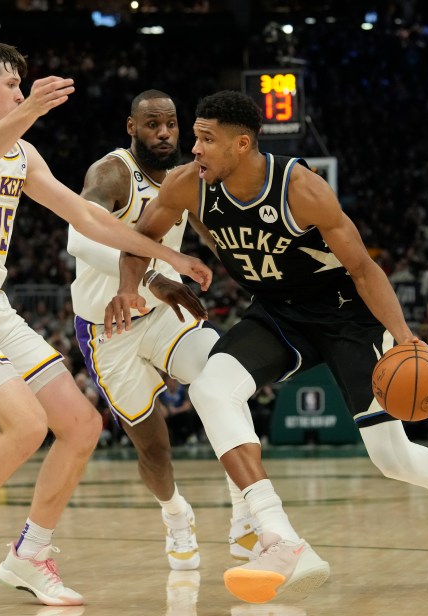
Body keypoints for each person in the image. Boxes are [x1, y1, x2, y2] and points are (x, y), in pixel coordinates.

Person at [105, 90, 428, 603]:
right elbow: (136, 239)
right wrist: (137, 283)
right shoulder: (187, 185)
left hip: (348, 318)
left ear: (242, 145)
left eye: (206, 139)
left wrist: (408, 339)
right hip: (277, 313)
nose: (194, 148)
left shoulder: (301, 188)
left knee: (393, 458)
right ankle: (279, 536)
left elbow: (365, 269)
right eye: (195, 136)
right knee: (212, 388)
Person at [0, 39, 211, 607]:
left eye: (24, 86)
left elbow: (86, 216)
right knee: (24, 426)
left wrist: (167, 257)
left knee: (81, 425)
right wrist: (30, 110)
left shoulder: (21, 153)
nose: (22, 90)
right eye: (13, 84)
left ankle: (30, 554)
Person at [67, 90, 260, 570]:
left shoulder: (186, 178)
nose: (165, 134)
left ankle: (245, 513)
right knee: (153, 448)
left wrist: (259, 279)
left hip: (162, 314)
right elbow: (77, 237)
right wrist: (153, 276)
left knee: (223, 379)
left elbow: (215, 236)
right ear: (131, 128)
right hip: (107, 327)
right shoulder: (110, 174)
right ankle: (176, 516)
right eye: (153, 125)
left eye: (172, 124)